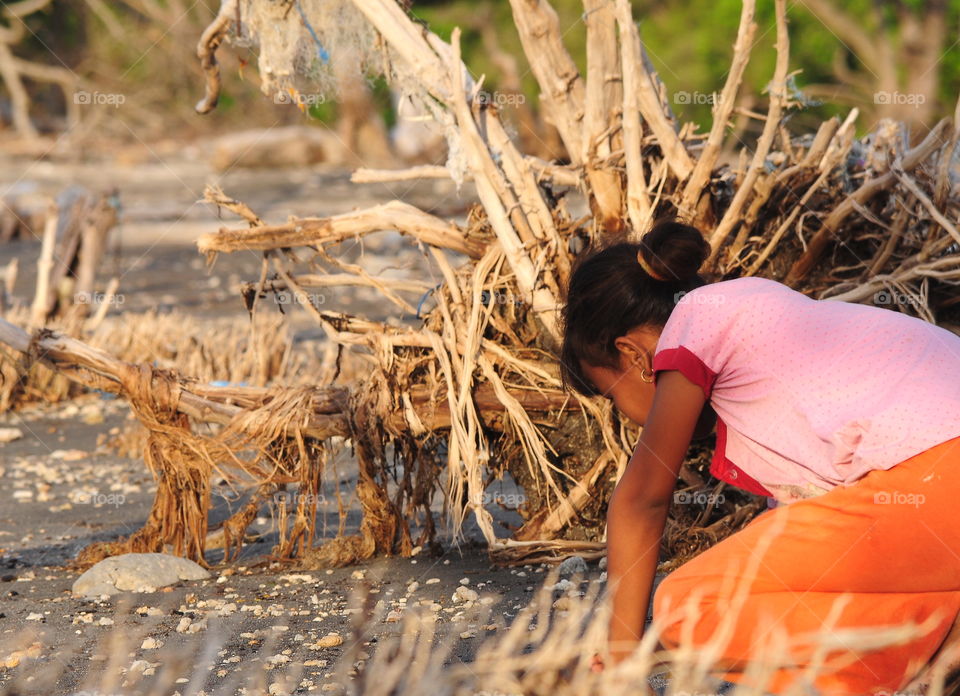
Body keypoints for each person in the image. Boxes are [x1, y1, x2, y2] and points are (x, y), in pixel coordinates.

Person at [560, 221, 960, 695]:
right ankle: (935, 657)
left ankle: (923, 653)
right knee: (780, 606)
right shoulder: (770, 332)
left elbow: (641, 499)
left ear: (635, 356)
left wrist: (623, 659)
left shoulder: (698, 319)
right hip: (929, 500)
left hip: (939, 472)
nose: (625, 419)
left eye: (611, 396)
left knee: (688, 608)